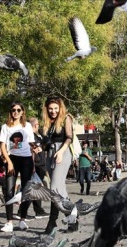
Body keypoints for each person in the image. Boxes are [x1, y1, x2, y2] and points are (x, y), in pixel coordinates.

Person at [0, 101, 36, 232]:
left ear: (22, 112)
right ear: (10, 112)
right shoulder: (5, 126)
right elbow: (2, 145)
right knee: (9, 190)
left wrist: (35, 156)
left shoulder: (27, 126)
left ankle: (22, 219)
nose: (16, 112)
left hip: (26, 160)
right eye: (13, 110)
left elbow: (31, 143)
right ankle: (9, 222)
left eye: (18, 110)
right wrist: (8, 162)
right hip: (12, 159)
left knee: (26, 190)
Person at [41, 96, 74, 234]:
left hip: (63, 152)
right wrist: (40, 148)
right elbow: (46, 142)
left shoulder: (66, 118)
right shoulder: (47, 122)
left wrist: (60, 151)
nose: (53, 111)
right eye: (50, 109)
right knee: (60, 190)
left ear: (60, 108)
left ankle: (52, 221)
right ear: (46, 109)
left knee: (54, 188)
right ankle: (72, 218)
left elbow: (69, 137)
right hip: (50, 155)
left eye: (56, 108)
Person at [29, 117, 49, 218]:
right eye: (38, 125)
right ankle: (38, 210)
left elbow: (46, 141)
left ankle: (38, 210)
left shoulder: (37, 136)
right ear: (35, 125)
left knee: (36, 188)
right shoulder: (30, 137)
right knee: (35, 188)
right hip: (35, 165)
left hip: (40, 164)